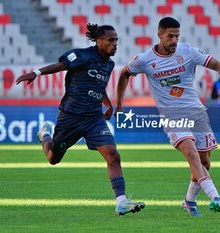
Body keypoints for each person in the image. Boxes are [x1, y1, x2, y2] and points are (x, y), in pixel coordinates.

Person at [15, 23, 145, 216]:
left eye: (116, 40)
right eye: (111, 40)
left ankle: (121, 202)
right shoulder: (82, 56)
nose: (115, 44)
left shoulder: (108, 65)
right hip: (71, 117)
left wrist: (108, 105)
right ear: (99, 41)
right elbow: (60, 66)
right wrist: (36, 73)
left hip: (94, 119)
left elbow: (98, 87)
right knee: (53, 158)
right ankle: (45, 135)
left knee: (113, 155)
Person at [115, 17, 220, 216]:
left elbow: (217, 64)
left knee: (205, 163)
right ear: (159, 35)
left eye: (177, 36)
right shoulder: (145, 59)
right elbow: (124, 74)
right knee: (191, 154)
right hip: (172, 116)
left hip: (196, 112)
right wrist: (119, 102)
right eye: (170, 36)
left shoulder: (187, 51)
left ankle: (189, 201)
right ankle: (216, 198)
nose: (174, 40)